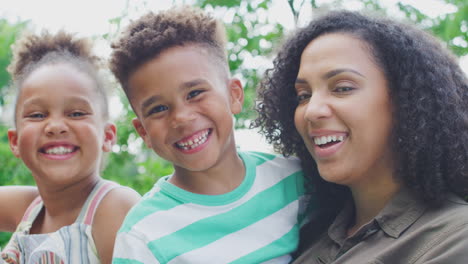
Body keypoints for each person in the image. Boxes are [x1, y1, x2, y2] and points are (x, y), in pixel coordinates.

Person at [253, 10, 468, 263]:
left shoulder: (454, 239)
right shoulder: (305, 230)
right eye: (303, 95)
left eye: (342, 88)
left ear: (407, 100)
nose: (311, 110)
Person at [109, 6, 310, 264]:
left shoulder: (294, 181)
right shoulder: (142, 237)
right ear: (143, 132)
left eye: (195, 93)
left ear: (234, 95)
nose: (181, 117)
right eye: (158, 108)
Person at [0, 30, 141, 264]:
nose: (55, 126)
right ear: (15, 141)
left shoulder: (114, 207)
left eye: (76, 113)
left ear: (107, 136)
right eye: (37, 114)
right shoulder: (28, 207)